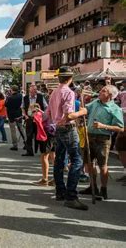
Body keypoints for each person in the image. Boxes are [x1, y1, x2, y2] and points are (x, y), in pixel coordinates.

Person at [46, 66, 88, 210]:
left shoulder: (54, 93)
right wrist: (82, 111)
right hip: (68, 128)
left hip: (58, 127)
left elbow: (49, 113)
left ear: (59, 78)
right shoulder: (68, 92)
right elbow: (69, 115)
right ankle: (71, 196)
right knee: (77, 161)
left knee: (59, 160)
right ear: (71, 78)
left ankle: (60, 192)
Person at [79, 85, 124, 200]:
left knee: (102, 165)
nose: (100, 91)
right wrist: (81, 109)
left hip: (102, 138)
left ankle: (103, 189)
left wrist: (103, 126)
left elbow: (120, 128)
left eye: (104, 91)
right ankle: (93, 186)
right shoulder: (96, 102)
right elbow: (86, 109)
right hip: (90, 136)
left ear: (109, 95)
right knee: (89, 163)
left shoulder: (115, 108)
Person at [31, 103, 56, 186]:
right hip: (54, 131)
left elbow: (42, 118)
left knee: (44, 156)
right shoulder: (56, 104)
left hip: (47, 133)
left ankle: (45, 179)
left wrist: (35, 113)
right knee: (53, 156)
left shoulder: (52, 105)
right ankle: (56, 178)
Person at [22, 85, 48, 157]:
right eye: (31, 91)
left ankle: (41, 151)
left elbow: (46, 107)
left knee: (39, 135)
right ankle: (29, 151)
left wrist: (42, 115)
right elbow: (23, 108)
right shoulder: (25, 98)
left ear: (36, 91)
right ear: (29, 91)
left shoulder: (40, 97)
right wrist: (25, 116)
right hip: (29, 119)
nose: (32, 92)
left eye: (34, 91)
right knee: (29, 135)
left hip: (38, 119)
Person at [5, 85, 25, 151]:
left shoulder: (9, 97)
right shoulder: (20, 96)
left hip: (11, 115)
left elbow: (6, 105)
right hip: (18, 114)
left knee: (13, 130)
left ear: (11, 89)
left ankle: (15, 145)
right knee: (21, 128)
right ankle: (26, 142)